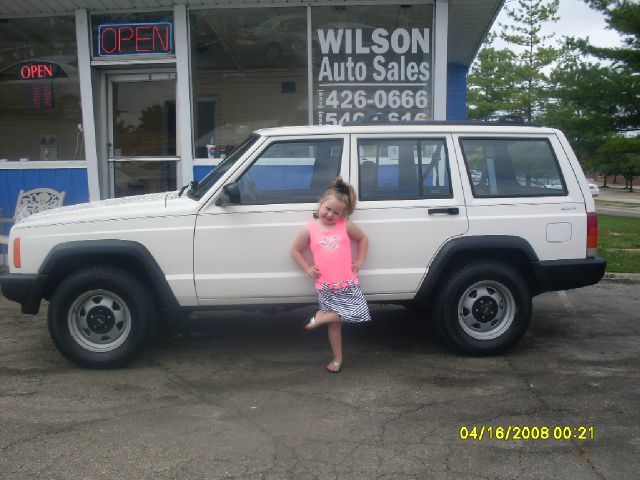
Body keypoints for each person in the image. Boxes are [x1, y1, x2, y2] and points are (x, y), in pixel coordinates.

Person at [291, 177, 371, 373]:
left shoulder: (344, 225)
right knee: (335, 326)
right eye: (328, 209)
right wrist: (308, 268)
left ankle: (321, 318)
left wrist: (360, 259)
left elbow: (363, 239)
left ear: (342, 214)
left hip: (348, 282)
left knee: (360, 312)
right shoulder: (309, 229)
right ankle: (337, 359)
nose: (330, 214)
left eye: (337, 212)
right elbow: (295, 250)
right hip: (325, 285)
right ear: (321, 203)